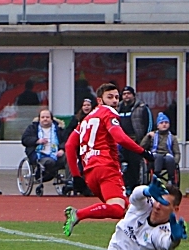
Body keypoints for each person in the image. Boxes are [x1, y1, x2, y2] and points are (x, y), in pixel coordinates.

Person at [63, 83, 155, 236]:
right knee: (119, 210)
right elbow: (120, 138)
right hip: (107, 168)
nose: (114, 101)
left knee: (129, 213)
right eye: (110, 97)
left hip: (90, 174)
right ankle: (78, 214)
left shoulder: (86, 119)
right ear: (100, 100)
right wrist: (143, 152)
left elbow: (69, 145)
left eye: (117, 97)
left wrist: (76, 176)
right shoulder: (108, 113)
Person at [71, 177, 187, 250]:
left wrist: (174, 239)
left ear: (175, 209)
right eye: (158, 200)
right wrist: (146, 190)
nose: (157, 206)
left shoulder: (164, 231)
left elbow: (165, 243)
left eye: (165, 203)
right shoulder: (145, 205)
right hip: (118, 245)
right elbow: (135, 196)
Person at [117, 86, 153, 190]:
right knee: (122, 163)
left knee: (134, 163)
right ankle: (124, 185)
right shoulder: (118, 108)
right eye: (124, 94)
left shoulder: (142, 107)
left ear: (133, 95)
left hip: (135, 141)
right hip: (121, 141)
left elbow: (149, 124)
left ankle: (133, 186)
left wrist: (145, 139)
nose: (126, 96)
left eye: (128, 93)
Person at [21, 108, 65, 183]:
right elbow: (25, 140)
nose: (45, 119)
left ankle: (70, 182)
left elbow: (65, 141)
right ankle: (41, 175)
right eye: (43, 117)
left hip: (57, 154)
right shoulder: (32, 128)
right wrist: (37, 141)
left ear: (51, 119)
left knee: (70, 158)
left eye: (47, 117)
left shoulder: (59, 129)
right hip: (39, 154)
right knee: (49, 161)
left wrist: (62, 149)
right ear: (39, 119)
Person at [140, 112, 180, 183]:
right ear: (158, 126)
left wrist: (175, 162)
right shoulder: (152, 135)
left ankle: (171, 179)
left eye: (166, 122)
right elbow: (142, 147)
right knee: (158, 157)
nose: (164, 124)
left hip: (167, 156)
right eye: (161, 123)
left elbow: (177, 152)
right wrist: (147, 137)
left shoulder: (172, 138)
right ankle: (156, 176)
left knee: (169, 158)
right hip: (154, 157)